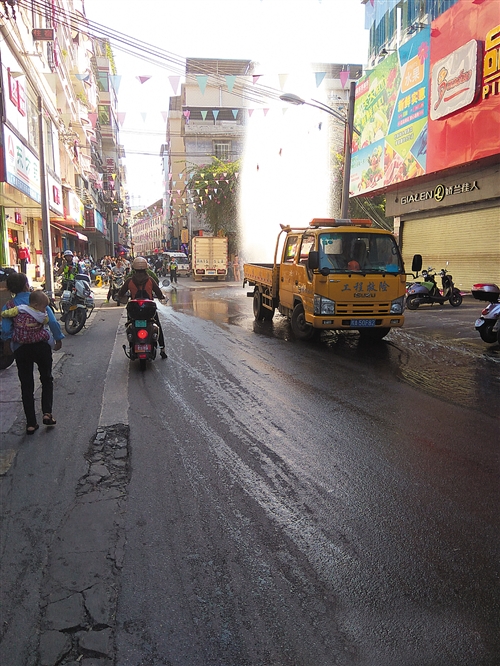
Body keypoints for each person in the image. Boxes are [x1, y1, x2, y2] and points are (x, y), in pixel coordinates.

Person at [1, 273, 64, 435]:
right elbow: (52, 321)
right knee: (46, 378)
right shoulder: (38, 299)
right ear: (25, 285)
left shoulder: (9, 306)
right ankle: (47, 413)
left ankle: (30, 423)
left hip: (22, 349)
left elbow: (6, 329)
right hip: (41, 346)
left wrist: (8, 343)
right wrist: (58, 339)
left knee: (26, 383)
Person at [117, 257, 168, 359]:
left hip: (134, 311)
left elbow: (120, 294)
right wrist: (162, 297)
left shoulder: (129, 281)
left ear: (134, 268)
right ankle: (162, 348)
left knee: (129, 325)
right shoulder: (150, 280)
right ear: (146, 267)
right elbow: (159, 293)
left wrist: (120, 297)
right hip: (149, 310)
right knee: (157, 324)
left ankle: (132, 344)